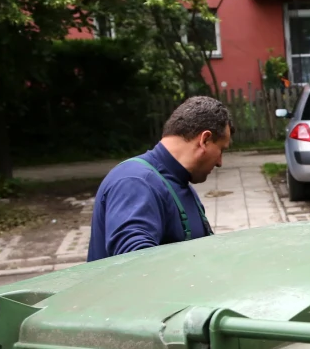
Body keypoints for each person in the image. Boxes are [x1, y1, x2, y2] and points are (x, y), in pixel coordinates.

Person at [87, 96, 233, 261]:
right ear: (204, 140)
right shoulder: (136, 181)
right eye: (221, 150)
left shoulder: (179, 183)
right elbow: (134, 265)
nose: (220, 162)